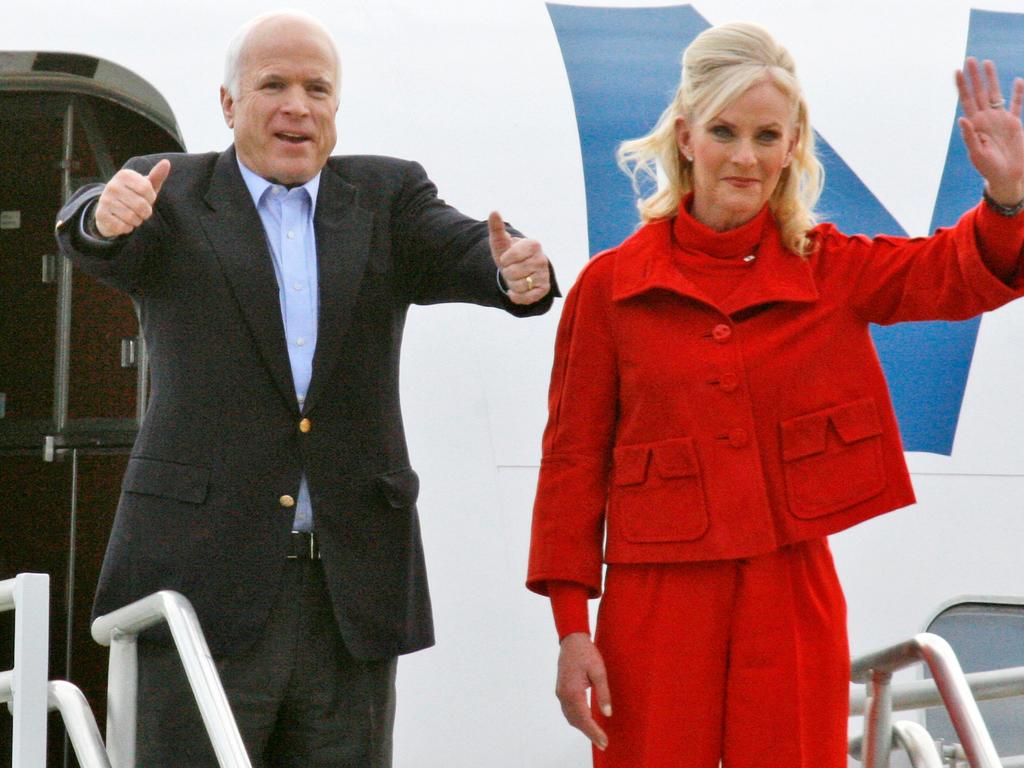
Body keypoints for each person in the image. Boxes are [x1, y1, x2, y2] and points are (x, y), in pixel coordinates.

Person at [55, 10, 555, 767]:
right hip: (199, 587)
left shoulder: (387, 195)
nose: (298, 105)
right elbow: (97, 229)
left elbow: (466, 247)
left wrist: (514, 274)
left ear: (336, 107)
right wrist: (102, 216)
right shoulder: (176, 192)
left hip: (346, 596)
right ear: (228, 104)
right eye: (273, 85)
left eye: (317, 88)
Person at [527, 21, 1024, 768]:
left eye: (768, 135)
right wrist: (573, 628)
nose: (746, 156)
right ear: (686, 136)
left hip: (790, 591)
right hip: (655, 598)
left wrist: (1008, 198)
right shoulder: (609, 290)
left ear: (792, 146)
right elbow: (571, 465)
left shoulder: (828, 268)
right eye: (725, 130)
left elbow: (950, 273)